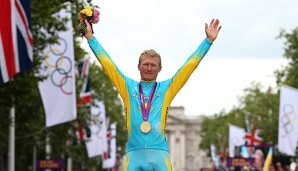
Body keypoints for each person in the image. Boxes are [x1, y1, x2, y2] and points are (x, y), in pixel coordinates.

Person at [83, 17, 221, 171]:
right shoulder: (127, 86)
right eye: (146, 64)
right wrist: (90, 38)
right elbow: (108, 65)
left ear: (160, 68)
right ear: (138, 67)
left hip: (160, 155)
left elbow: (189, 67)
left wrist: (207, 42)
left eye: (153, 65)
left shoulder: (167, 88)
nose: (149, 68)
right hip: (134, 154)